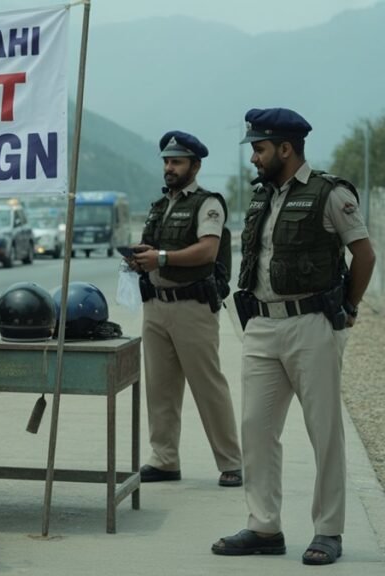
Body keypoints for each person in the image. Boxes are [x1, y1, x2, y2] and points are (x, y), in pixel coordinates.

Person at [211, 108, 375, 565]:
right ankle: (264, 526)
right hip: (262, 325)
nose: (253, 159)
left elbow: (364, 254)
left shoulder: (329, 193)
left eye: (259, 149)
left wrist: (349, 306)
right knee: (257, 430)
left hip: (312, 325)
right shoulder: (263, 197)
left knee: (324, 432)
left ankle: (329, 530)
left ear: (286, 148)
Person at [128, 131, 243, 488]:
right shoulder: (161, 206)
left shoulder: (208, 204)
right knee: (159, 388)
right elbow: (158, 250)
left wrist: (160, 257)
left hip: (192, 306)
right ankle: (164, 460)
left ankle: (231, 462)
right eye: (166, 161)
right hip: (156, 306)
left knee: (208, 386)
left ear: (195, 165)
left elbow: (208, 251)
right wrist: (140, 257)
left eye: (176, 161)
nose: (169, 168)